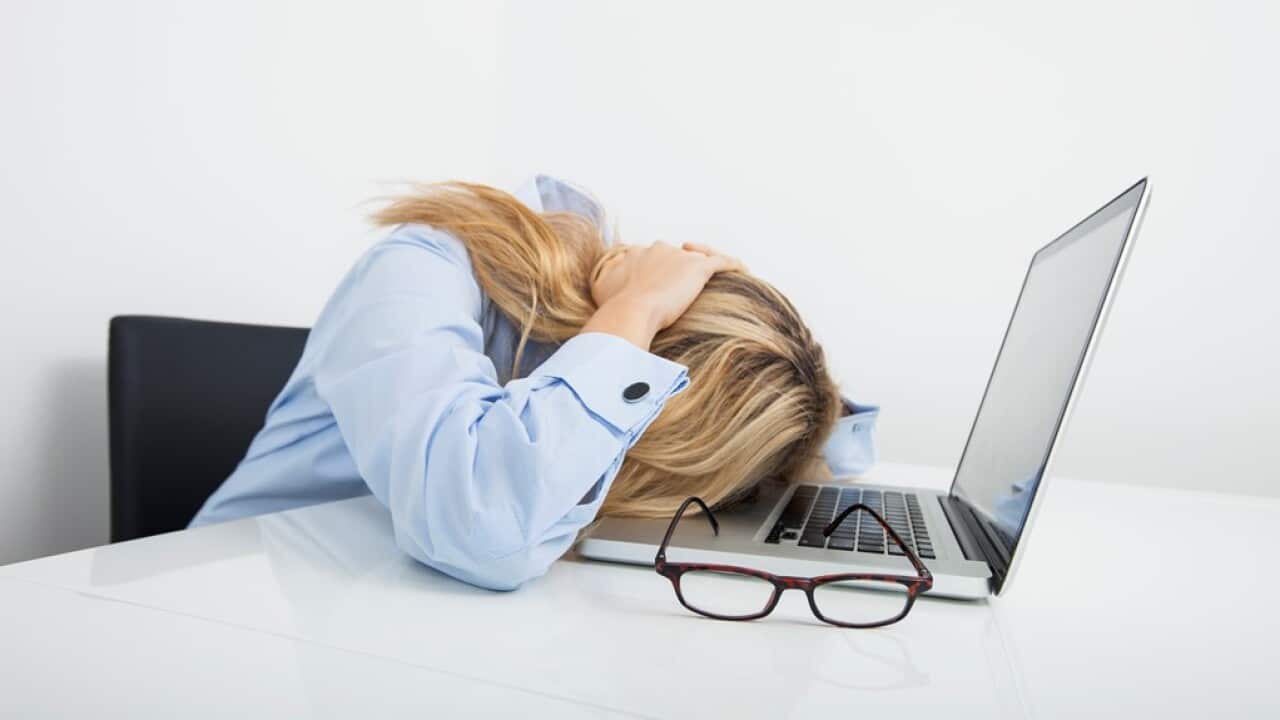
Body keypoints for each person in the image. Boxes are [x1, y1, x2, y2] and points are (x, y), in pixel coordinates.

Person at [191, 175, 880, 590]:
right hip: (228, 597)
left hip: (379, 601)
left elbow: (828, 468)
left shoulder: (592, 354)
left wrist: (781, 362)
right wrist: (633, 312)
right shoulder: (422, 266)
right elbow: (481, 528)